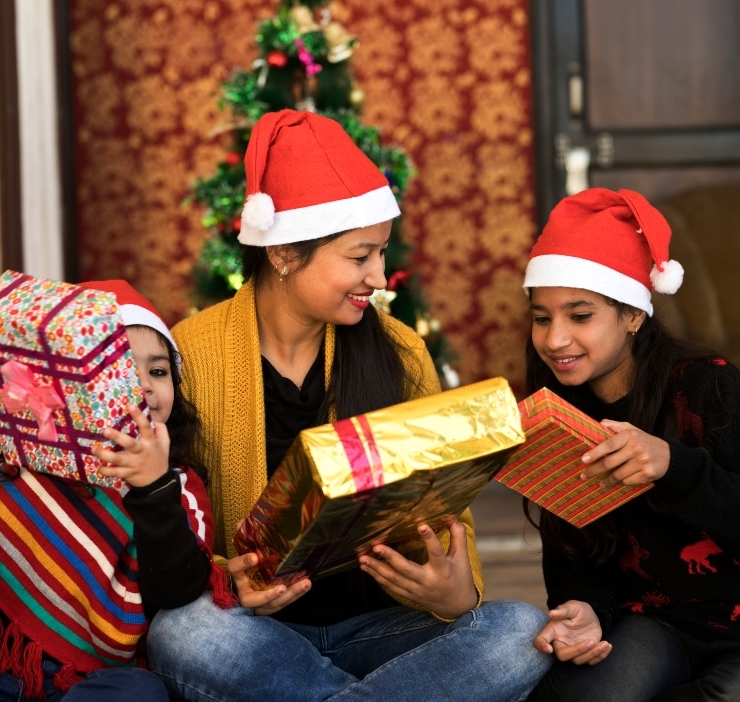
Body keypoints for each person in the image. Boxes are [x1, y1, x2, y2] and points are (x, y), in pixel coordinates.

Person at [147, 108, 551, 702]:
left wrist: (455, 592)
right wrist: (231, 582)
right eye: (360, 257)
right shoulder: (191, 353)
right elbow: (176, 521)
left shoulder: (400, 351)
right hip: (260, 636)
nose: (380, 277)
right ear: (284, 254)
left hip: (383, 626)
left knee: (521, 631)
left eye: (381, 254)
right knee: (180, 632)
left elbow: (448, 512)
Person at [0, 280, 232, 701]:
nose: (146, 385)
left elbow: (178, 589)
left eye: (158, 370)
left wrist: (153, 489)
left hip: (91, 682)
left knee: (138, 692)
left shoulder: (178, 487)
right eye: (121, 371)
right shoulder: (28, 472)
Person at [520, 188, 740, 701]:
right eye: (542, 316)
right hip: (653, 624)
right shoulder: (556, 409)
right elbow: (574, 553)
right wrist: (585, 610)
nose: (555, 340)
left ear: (634, 315)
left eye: (580, 315)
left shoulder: (708, 387)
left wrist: (675, 466)